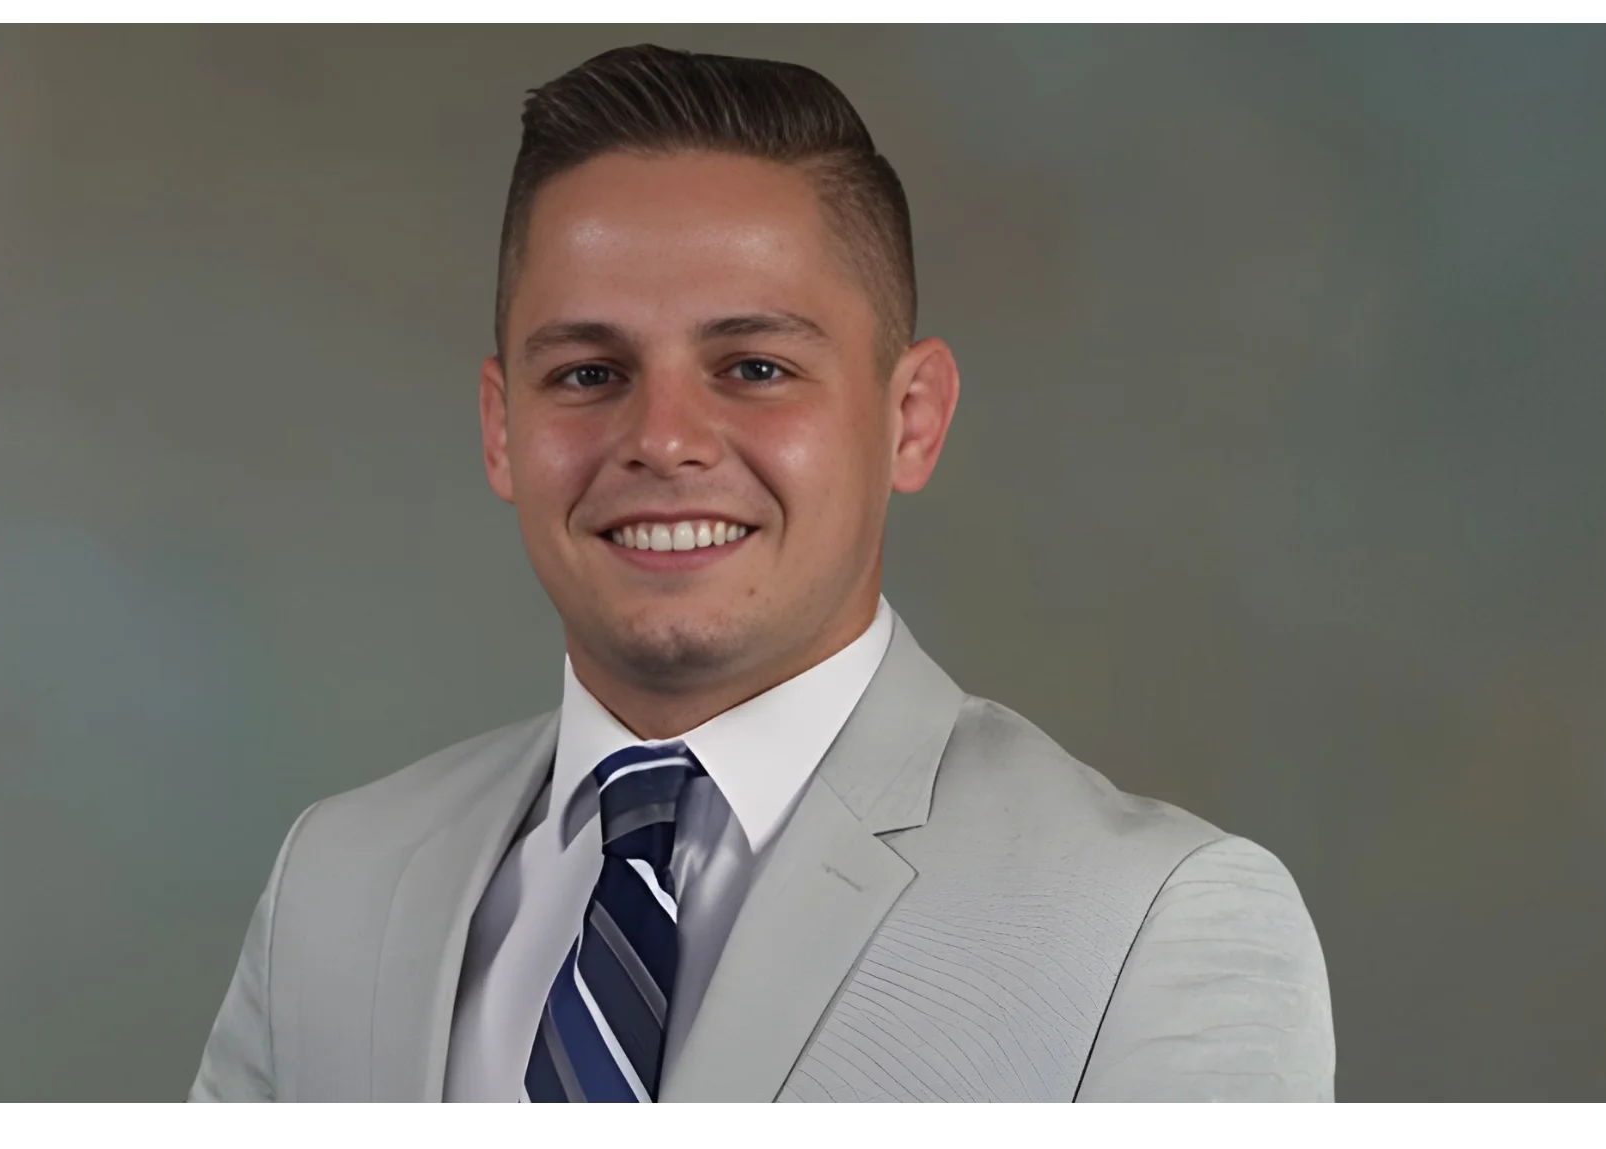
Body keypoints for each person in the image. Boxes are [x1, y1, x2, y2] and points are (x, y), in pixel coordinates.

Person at [190, 43, 1334, 1104]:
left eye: (753, 365)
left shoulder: (1151, 924)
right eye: (588, 373)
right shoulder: (337, 884)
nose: (663, 438)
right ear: (501, 427)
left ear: (911, 419)